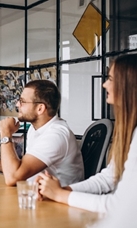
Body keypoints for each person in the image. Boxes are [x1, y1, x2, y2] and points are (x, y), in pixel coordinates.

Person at [37, 54, 137, 214]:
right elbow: (107, 179)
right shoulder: (130, 130)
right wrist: (62, 190)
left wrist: (60, 194)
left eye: (110, 79)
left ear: (128, 85)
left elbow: (119, 206)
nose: (104, 84)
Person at [0, 80, 84, 186]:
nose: (17, 105)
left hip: (55, 204)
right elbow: (21, 167)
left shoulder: (56, 135)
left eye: (23, 101)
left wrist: (5, 134)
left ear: (40, 108)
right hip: (36, 195)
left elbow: (12, 178)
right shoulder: (34, 129)